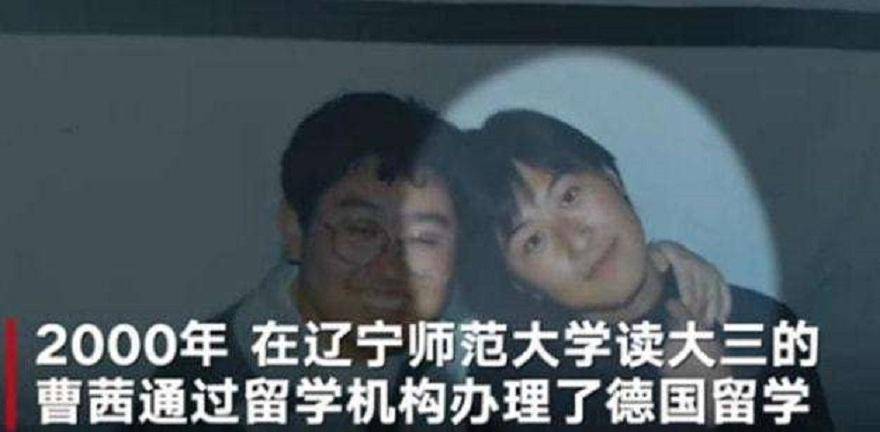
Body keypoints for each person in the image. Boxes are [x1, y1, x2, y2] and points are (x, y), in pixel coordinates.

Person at [125, 94, 730, 431]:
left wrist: (657, 271)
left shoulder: (475, 351)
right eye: (362, 230)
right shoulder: (201, 390)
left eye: (425, 237)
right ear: (294, 230)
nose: (393, 267)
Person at [460, 109, 834, 431]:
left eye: (569, 196)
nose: (576, 240)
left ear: (613, 179)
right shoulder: (508, 376)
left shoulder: (759, 328)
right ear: (521, 283)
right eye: (533, 241)